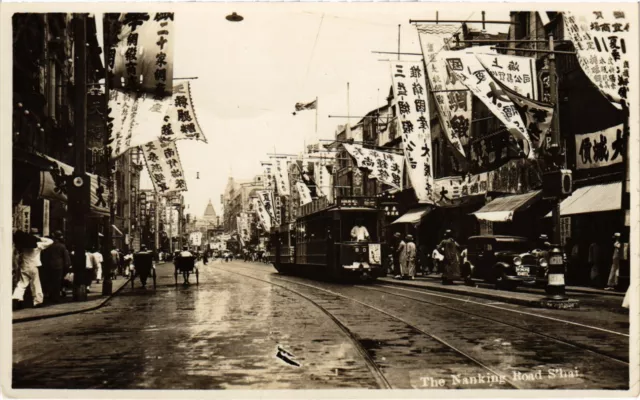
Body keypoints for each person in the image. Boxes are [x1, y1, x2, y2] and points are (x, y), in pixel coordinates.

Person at [12, 230, 53, 308]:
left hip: (24, 266)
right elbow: (50, 241)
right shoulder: (37, 245)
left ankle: (16, 297)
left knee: (22, 283)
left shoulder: (22, 247)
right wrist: (39, 238)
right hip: (34, 266)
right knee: (35, 283)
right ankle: (37, 301)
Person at [41, 231, 71, 304]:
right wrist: (67, 266)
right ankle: (55, 297)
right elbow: (66, 257)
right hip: (58, 266)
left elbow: (44, 256)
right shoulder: (62, 246)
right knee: (57, 282)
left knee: (49, 281)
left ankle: (49, 295)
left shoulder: (48, 245)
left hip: (48, 265)